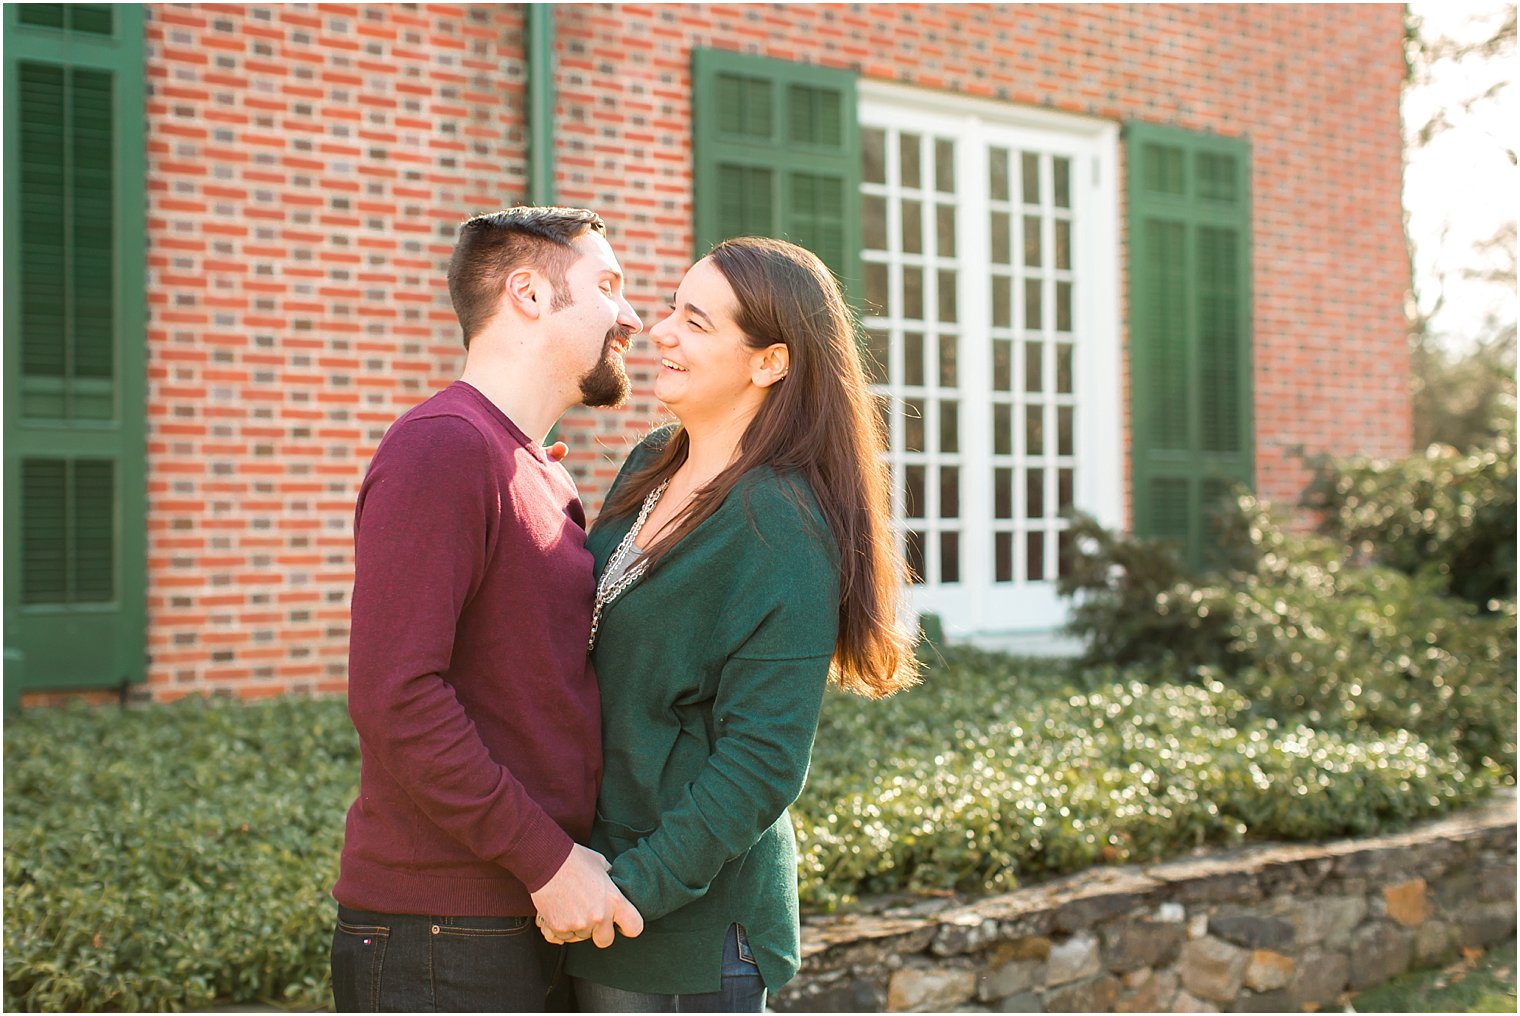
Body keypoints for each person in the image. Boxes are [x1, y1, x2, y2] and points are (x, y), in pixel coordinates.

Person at [553, 236, 921, 1011]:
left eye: (695, 320)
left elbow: (763, 761)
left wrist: (629, 892)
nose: (660, 331)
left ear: (770, 363)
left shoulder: (779, 526)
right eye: (671, 311)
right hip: (593, 884)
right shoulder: (654, 460)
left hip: (676, 932)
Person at [330, 206, 646, 1012]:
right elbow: (396, 698)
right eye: (608, 285)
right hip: (442, 937)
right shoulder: (442, 447)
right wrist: (547, 859)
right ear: (529, 294)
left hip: (519, 920)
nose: (632, 316)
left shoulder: (537, 470)